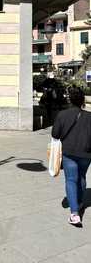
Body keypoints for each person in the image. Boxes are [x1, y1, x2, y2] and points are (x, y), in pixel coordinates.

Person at [52, 87, 91, 227]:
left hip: (69, 153)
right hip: (86, 153)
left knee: (70, 179)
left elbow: (55, 134)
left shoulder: (62, 115)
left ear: (70, 100)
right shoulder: (89, 116)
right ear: (82, 101)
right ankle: (80, 203)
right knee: (81, 177)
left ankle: (74, 213)